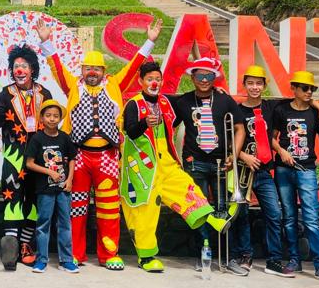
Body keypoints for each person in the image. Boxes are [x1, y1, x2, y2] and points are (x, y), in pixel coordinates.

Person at [36, 17, 162, 270]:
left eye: (97, 69)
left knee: (108, 208)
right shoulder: (73, 86)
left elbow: (134, 66)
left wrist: (149, 41)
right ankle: (75, 253)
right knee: (76, 208)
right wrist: (46, 42)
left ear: (104, 71)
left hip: (107, 157)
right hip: (79, 157)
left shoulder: (115, 84)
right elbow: (57, 67)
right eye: (87, 68)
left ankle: (109, 254)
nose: (92, 72)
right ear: (82, 70)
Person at [120, 61, 221, 273]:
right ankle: (146, 257)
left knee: (186, 187)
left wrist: (213, 92)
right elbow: (130, 131)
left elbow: (188, 100)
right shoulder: (133, 104)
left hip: (166, 161)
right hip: (143, 166)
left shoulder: (166, 102)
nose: (154, 83)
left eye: (157, 79)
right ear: (141, 81)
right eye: (150, 79)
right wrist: (144, 123)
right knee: (146, 212)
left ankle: (210, 217)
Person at [232, 66, 319, 277]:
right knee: (241, 214)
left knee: (275, 214)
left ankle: (275, 260)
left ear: (264, 86)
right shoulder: (236, 110)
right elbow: (230, 139)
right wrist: (242, 155)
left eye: (258, 83)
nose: (254, 87)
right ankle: (245, 255)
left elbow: (301, 100)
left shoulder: (273, 107)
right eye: (250, 83)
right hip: (243, 170)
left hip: (266, 171)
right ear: (244, 85)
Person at [174, 56, 243, 274]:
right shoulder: (183, 101)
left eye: (209, 76)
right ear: (192, 77)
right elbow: (168, 125)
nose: (204, 80)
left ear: (215, 78)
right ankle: (203, 253)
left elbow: (240, 128)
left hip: (221, 163)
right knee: (199, 211)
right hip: (194, 163)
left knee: (223, 210)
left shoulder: (224, 100)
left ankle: (227, 257)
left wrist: (234, 154)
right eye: (200, 76)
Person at [0, 45, 53, 270]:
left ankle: (26, 244)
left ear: (32, 69)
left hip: (38, 159)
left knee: (34, 200)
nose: (19, 70)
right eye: (16, 66)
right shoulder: (6, 94)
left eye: (24, 66)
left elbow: (52, 121)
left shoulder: (44, 93)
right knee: (12, 199)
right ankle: (11, 245)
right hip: (13, 157)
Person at [271, 70, 319, 283]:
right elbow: (271, 138)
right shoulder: (281, 109)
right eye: (305, 88)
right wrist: (281, 151)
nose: (309, 92)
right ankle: (294, 260)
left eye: (312, 89)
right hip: (283, 169)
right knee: (289, 217)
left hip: (307, 169)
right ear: (294, 88)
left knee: (311, 217)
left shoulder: (316, 113)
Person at [25, 100, 79, 273]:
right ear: (41, 118)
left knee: (65, 224)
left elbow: (72, 159)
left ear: (60, 119)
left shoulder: (64, 137)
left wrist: (70, 180)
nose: (52, 119)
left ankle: (66, 260)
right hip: (45, 189)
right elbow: (29, 163)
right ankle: (41, 260)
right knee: (43, 224)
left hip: (63, 189)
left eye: (56, 116)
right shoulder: (37, 138)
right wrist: (49, 172)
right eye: (48, 115)